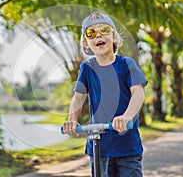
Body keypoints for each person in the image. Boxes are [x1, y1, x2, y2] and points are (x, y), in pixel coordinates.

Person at [63, 11, 148, 177]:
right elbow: (78, 97)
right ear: (86, 43)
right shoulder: (87, 68)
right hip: (99, 146)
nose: (98, 35)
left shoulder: (125, 64)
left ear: (114, 37)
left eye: (104, 30)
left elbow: (138, 93)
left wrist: (127, 116)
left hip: (127, 145)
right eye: (91, 33)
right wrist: (72, 120)